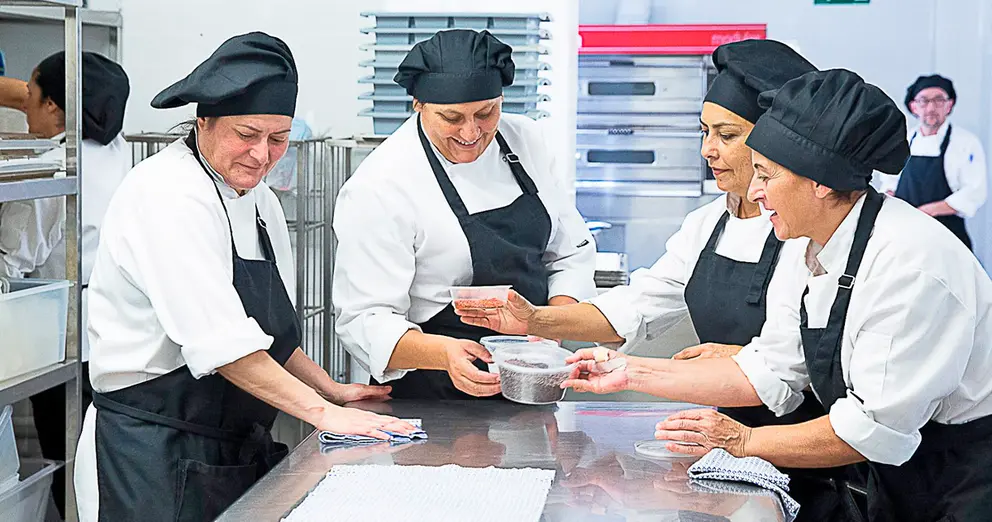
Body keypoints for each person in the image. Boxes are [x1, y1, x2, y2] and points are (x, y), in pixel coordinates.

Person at [560, 69, 992, 521]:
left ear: (820, 182)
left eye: (765, 175)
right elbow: (770, 366)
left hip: (964, 475)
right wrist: (627, 371)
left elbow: (870, 429)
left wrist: (743, 443)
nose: (755, 191)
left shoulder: (910, 267)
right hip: (898, 473)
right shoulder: (812, 244)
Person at [456, 39, 856, 521]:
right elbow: (638, 304)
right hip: (722, 447)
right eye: (704, 131)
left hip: (804, 448)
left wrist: (646, 369)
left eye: (727, 135)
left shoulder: (803, 232)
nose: (708, 149)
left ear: (772, 142)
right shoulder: (708, 223)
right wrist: (535, 317)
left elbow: (798, 364)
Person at [72, 32, 415, 522]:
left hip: (226, 449)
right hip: (150, 453)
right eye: (247, 134)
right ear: (203, 121)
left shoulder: (260, 202)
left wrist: (329, 389)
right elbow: (223, 345)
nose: (262, 154)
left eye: (278, 138)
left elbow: (264, 336)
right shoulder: (167, 195)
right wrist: (324, 415)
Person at [332, 29, 596, 400]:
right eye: (452, 118)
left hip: (531, 375)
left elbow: (569, 252)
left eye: (487, 113)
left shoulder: (526, 140)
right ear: (418, 106)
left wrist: (548, 327)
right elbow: (364, 317)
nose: (472, 132)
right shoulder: (380, 185)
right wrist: (445, 355)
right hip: (431, 391)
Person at [0, 50, 130, 518]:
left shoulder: (58, 166)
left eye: (33, 97)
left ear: (55, 106)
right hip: (116, 336)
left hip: (63, 338)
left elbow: (11, 258)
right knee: (106, 463)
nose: (26, 108)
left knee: (68, 456)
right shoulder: (114, 151)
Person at [878, 74, 987, 249]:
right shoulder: (902, 140)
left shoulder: (966, 143)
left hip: (948, 235)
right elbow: (889, 183)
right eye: (924, 101)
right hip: (905, 232)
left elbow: (974, 192)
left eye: (939, 100)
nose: (931, 107)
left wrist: (928, 211)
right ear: (913, 106)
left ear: (949, 105)